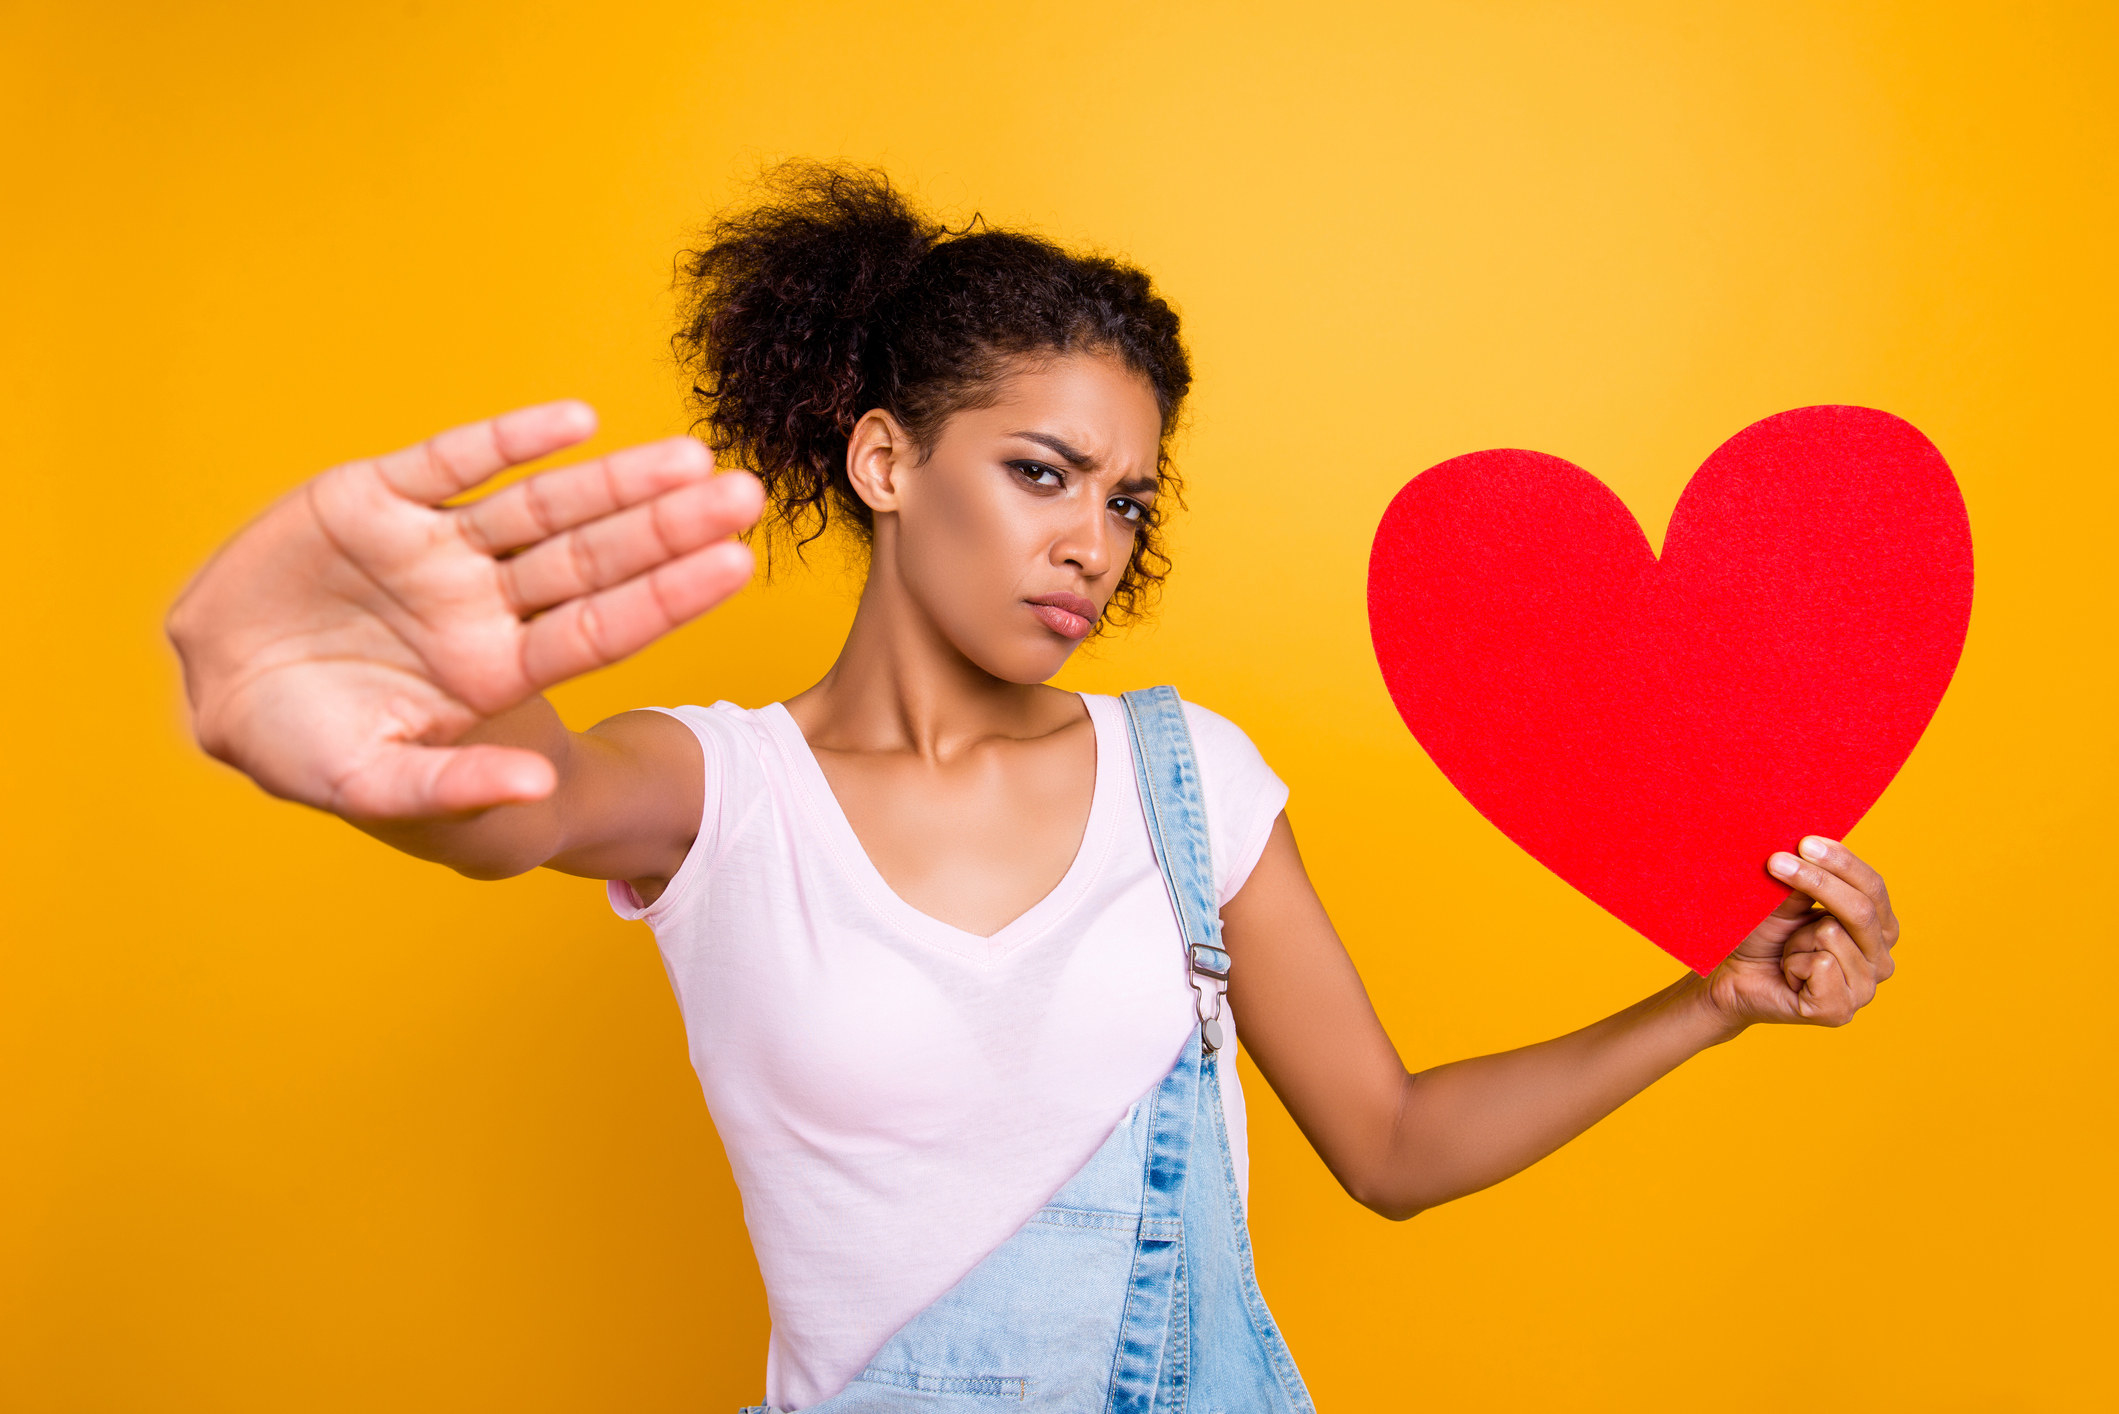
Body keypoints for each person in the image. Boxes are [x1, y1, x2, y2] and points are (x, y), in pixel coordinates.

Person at [166, 163, 1900, 1412]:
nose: (1092, 541)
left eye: (1130, 498)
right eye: (1045, 471)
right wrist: (379, 710)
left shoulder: (1188, 778)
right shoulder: (730, 791)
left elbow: (1391, 1145)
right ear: (888, 457)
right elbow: (520, 795)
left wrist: (1712, 999)